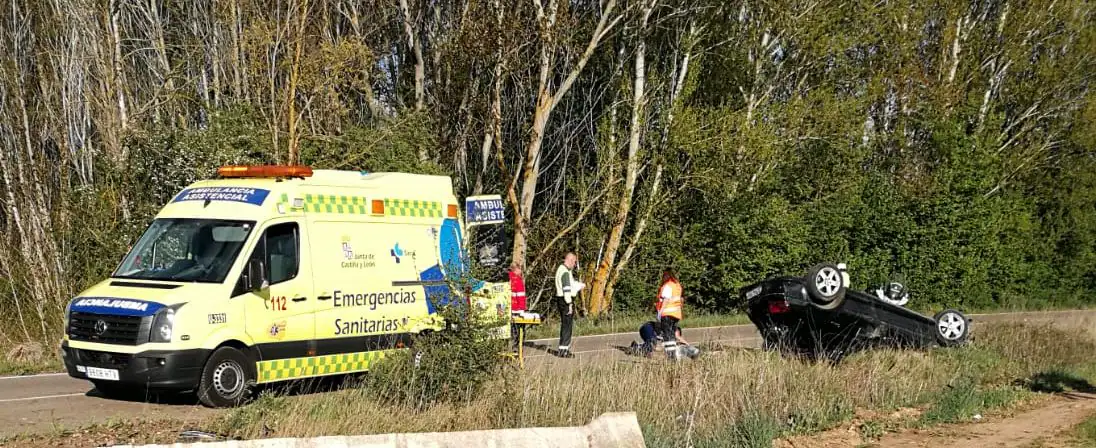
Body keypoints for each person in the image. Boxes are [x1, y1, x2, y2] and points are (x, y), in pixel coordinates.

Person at [554, 252, 581, 358]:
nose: (574, 264)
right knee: (567, 325)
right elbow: (566, 289)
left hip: (562, 299)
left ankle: (563, 348)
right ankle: (564, 349)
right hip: (565, 300)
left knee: (566, 324)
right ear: (570, 260)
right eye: (574, 262)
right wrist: (569, 303)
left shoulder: (562, 270)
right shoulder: (565, 271)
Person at [656, 268, 684, 360]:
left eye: (664, 275)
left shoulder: (668, 286)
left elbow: (666, 299)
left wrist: (660, 312)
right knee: (671, 335)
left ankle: (671, 357)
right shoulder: (677, 285)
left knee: (667, 335)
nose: (663, 278)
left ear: (667, 276)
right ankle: (674, 355)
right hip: (676, 314)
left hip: (667, 313)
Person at [509, 262, 527, 352]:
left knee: (511, 330)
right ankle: (518, 348)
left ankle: (511, 347)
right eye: (520, 269)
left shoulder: (507, 279)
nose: (521, 272)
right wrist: (522, 311)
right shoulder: (518, 280)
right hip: (517, 310)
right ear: (517, 269)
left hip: (508, 309)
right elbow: (521, 297)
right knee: (519, 331)